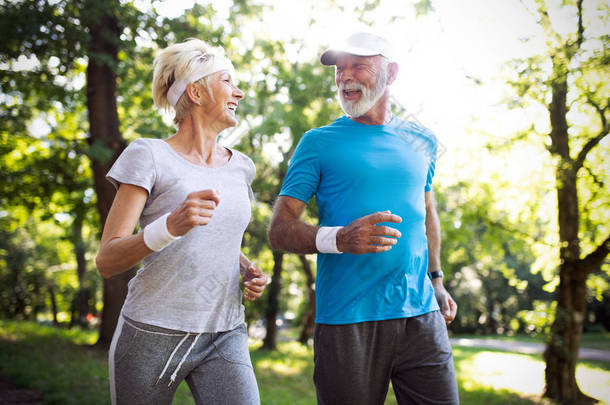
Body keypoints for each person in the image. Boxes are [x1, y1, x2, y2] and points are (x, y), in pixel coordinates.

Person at [268, 32, 459, 405]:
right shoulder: (318, 142)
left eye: (358, 65)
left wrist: (436, 279)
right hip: (347, 319)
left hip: (421, 313)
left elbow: (427, 212)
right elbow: (279, 230)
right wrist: (337, 238)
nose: (344, 76)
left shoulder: (423, 140)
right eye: (340, 69)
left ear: (391, 73)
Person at [95, 38, 268, 405]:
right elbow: (107, 260)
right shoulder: (149, 155)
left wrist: (246, 269)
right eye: (227, 81)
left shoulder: (242, 166)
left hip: (226, 331)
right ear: (197, 91)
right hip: (152, 330)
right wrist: (168, 227)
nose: (238, 92)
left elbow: (217, 239)